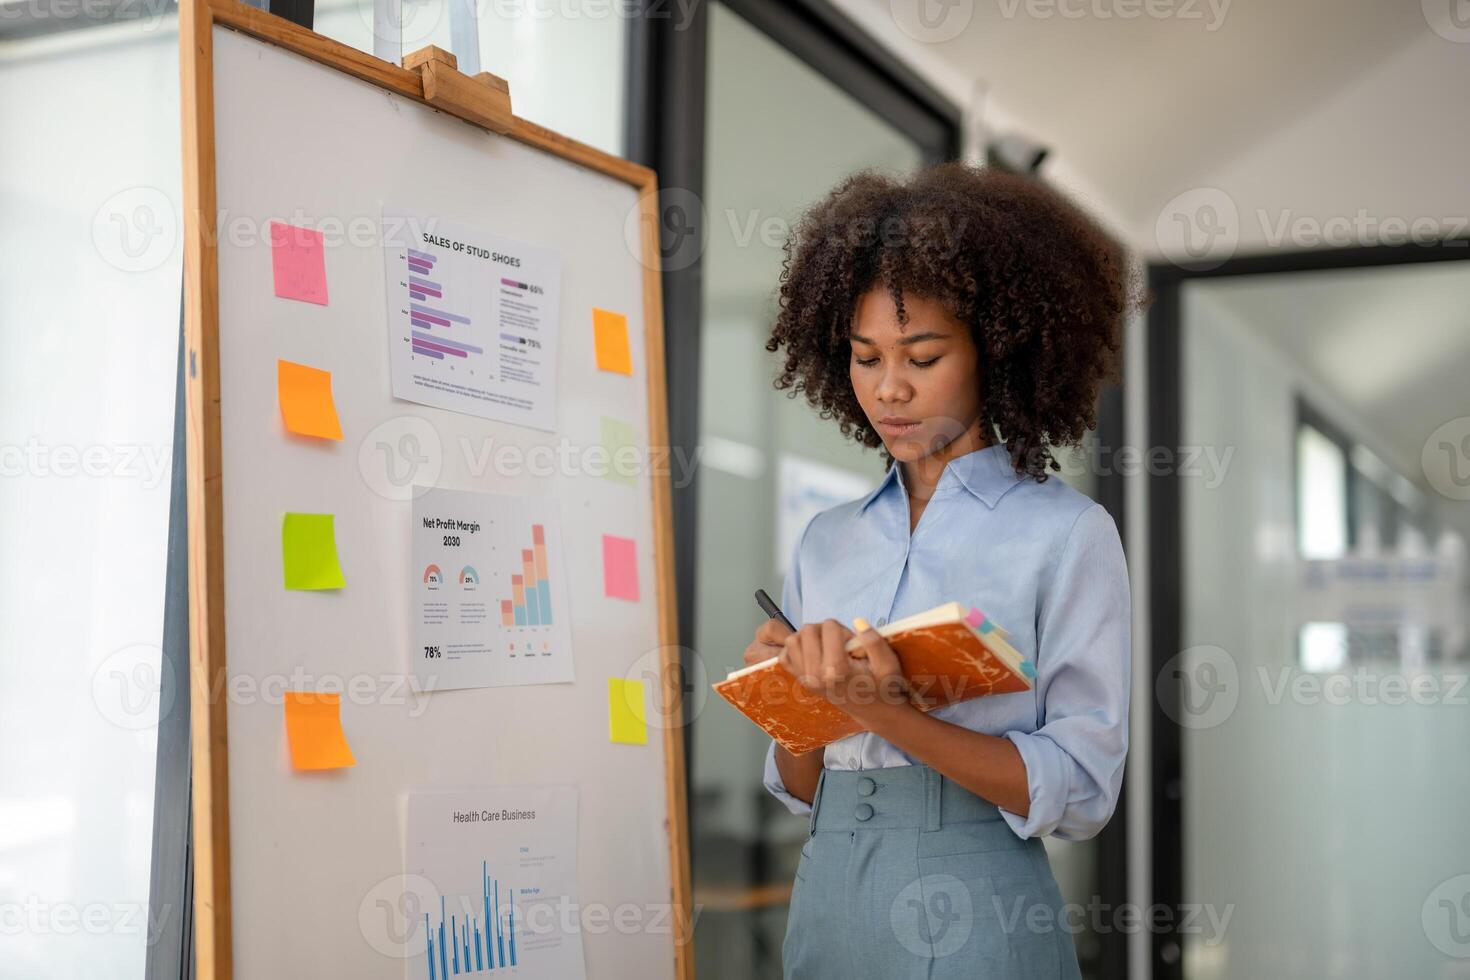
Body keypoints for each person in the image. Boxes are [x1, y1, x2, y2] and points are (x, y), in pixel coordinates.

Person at [745, 162, 1134, 979]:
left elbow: (1085, 790)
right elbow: (801, 787)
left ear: (994, 350)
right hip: (828, 899)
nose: (888, 389)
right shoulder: (826, 540)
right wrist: (796, 706)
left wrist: (886, 714)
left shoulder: (1067, 536)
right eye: (864, 357)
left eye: (922, 356)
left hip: (980, 901)